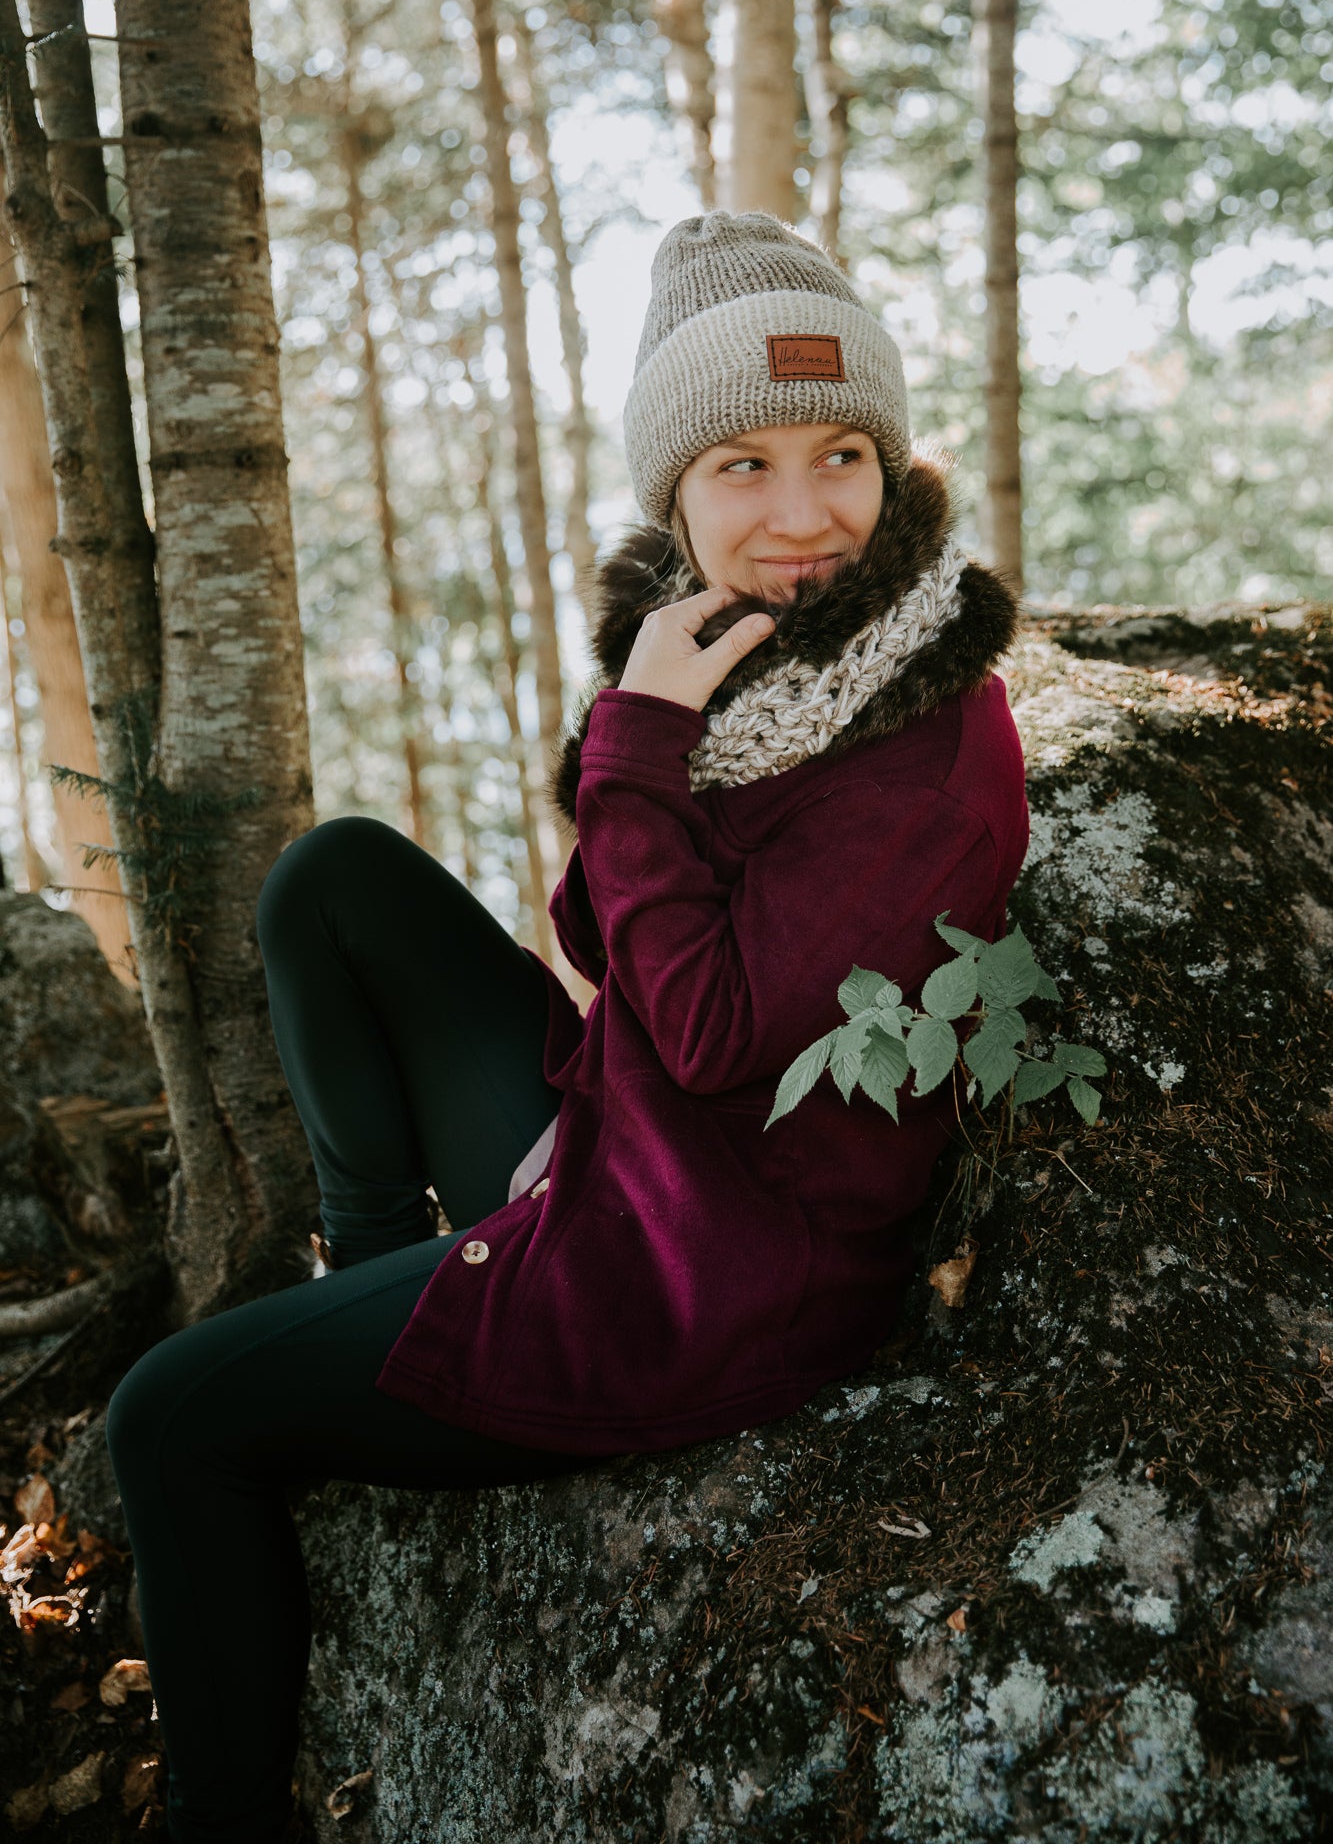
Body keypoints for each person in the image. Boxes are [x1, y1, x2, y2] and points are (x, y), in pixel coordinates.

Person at [105, 209, 1028, 1842]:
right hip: (632, 1153)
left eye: (839, 455)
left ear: (893, 469)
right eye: (739, 464)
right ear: (671, 496)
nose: (803, 515)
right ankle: (377, 1272)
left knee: (166, 1420)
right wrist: (652, 733)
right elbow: (600, 930)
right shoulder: (750, 661)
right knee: (334, 879)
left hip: (715, 1274)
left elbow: (709, 1028)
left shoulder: (916, 732)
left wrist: (636, 745)